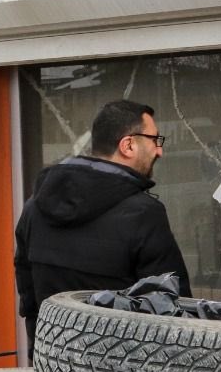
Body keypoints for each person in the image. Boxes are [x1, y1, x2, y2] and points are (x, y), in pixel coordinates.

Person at [14, 99, 189, 347]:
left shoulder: (34, 207)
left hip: (55, 365)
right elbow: (175, 309)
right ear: (128, 145)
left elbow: (29, 298)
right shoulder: (144, 214)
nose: (159, 150)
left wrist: (42, 354)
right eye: (155, 140)